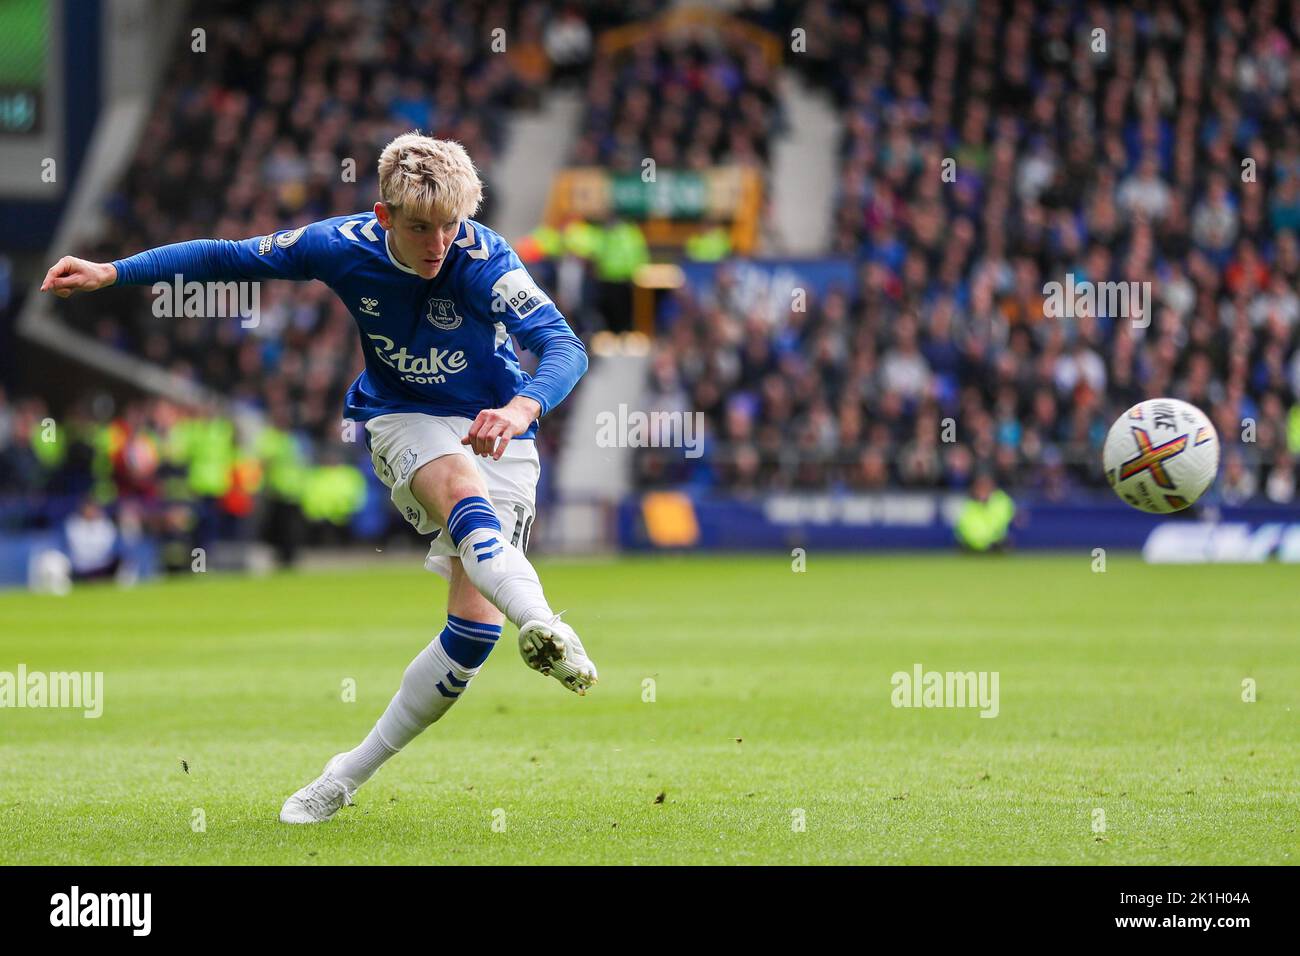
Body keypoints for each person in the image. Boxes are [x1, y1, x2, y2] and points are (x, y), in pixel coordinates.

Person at [40, 133, 596, 824]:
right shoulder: (341, 244)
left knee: (474, 637)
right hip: (402, 415)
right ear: (385, 215)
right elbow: (226, 256)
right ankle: (544, 624)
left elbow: (563, 344)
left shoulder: (485, 260)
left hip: (499, 422)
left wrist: (520, 407)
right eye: (422, 227)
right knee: (460, 492)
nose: (440, 243)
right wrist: (112, 272)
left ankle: (342, 777)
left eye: (452, 225)